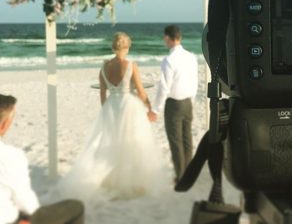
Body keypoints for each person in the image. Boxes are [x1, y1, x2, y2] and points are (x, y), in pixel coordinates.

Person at [56, 33, 167, 200]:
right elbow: (140, 91)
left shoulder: (104, 66)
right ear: (127, 47)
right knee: (132, 142)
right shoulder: (131, 65)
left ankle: (110, 180)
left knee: (110, 141)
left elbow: (102, 91)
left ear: (113, 47)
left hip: (110, 106)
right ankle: (132, 182)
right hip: (128, 105)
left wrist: (105, 108)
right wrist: (150, 107)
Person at [0, 94, 85, 224]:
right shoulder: (10, 156)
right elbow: (29, 207)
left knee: (21, 212)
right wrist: (26, 215)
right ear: (3, 125)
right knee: (75, 208)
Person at [150, 25, 198, 184]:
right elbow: (195, 81)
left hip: (174, 105)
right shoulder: (191, 57)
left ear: (167, 38)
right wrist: (193, 100)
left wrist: (155, 109)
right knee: (187, 139)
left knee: (176, 142)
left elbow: (164, 88)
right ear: (180, 37)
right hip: (188, 102)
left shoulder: (169, 60)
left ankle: (181, 176)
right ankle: (190, 173)